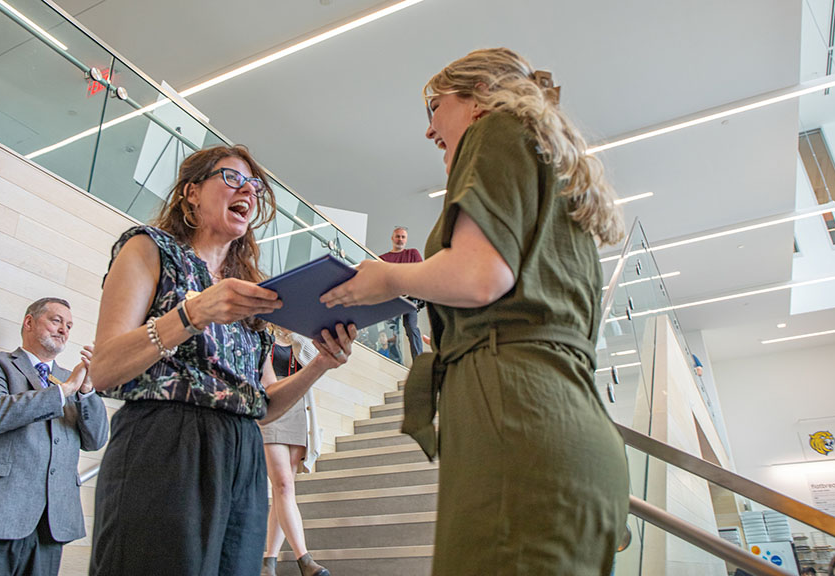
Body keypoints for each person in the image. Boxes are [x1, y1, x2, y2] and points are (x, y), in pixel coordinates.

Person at [321, 48, 629, 575]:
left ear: (478, 96)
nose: (429, 131)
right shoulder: (547, 166)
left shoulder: (496, 127)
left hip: (516, 417)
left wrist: (387, 278)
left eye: (434, 107)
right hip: (560, 423)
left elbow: (478, 275)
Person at [88, 145, 357, 576]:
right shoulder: (148, 248)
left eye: (254, 186)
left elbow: (264, 404)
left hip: (243, 454)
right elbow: (103, 367)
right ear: (192, 192)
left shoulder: (250, 289)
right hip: (165, 442)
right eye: (232, 178)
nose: (248, 191)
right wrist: (193, 314)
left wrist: (320, 364)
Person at [0, 297, 109, 576]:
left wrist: (86, 390)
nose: (64, 330)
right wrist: (65, 390)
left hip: (49, 529)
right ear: (29, 322)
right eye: (56, 320)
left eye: (69, 326)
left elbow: (95, 440)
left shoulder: (71, 381)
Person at [260, 326, 327, 576]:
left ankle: (269, 562)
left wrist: (295, 335)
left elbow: (313, 364)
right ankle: (305, 559)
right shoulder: (263, 335)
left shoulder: (301, 338)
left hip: (298, 410)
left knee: (284, 490)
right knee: (284, 486)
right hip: (270, 408)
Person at [379, 226, 425, 359]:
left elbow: (421, 273)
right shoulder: (382, 258)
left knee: (411, 328)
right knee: (389, 326)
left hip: (409, 298)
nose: (400, 239)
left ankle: (418, 361)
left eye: (403, 237)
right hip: (391, 299)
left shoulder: (412, 253)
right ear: (392, 238)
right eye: (398, 236)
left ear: (406, 239)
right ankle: (391, 356)